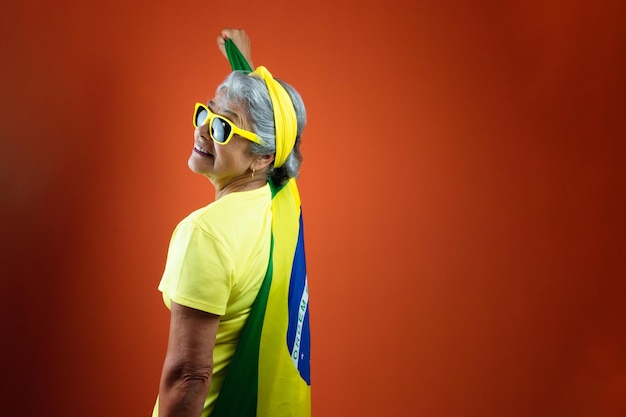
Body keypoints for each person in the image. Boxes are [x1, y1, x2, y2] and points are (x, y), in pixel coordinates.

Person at [152, 29, 311, 417]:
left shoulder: (206, 233)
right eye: (207, 111)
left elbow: (188, 376)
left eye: (224, 127)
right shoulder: (277, 206)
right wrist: (241, 66)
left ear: (261, 158)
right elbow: (278, 124)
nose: (204, 129)